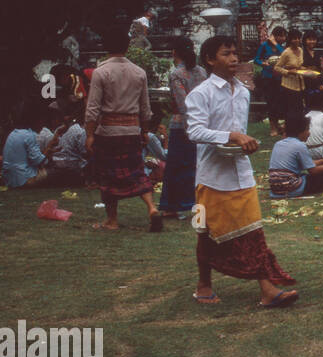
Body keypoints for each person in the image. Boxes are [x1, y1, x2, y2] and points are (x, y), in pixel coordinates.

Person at [187, 35, 297, 306]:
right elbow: (194, 130)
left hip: (241, 173)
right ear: (210, 60)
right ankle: (203, 286)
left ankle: (268, 289)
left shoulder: (244, 92)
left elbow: (241, 133)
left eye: (236, 53)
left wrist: (245, 141)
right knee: (204, 233)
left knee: (253, 233)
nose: (234, 59)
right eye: (227, 54)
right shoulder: (200, 94)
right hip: (210, 177)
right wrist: (232, 136)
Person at [85, 25, 161, 231]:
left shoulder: (101, 72)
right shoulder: (139, 72)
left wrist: (89, 134)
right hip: (132, 130)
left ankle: (112, 220)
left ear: (105, 46)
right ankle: (152, 208)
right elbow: (146, 108)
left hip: (108, 132)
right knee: (137, 171)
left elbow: (92, 108)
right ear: (128, 46)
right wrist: (145, 131)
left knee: (108, 175)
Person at [160, 40, 206, 217]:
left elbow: (183, 103)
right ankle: (193, 202)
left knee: (176, 167)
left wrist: (189, 126)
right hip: (201, 123)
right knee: (194, 165)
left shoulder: (176, 74)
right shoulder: (201, 72)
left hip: (182, 125)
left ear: (174, 53)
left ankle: (174, 206)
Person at [268, 113, 323, 198]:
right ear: (300, 132)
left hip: (275, 188)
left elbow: (305, 164)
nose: (309, 133)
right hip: (292, 188)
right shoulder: (300, 145)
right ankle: (299, 189)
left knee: (303, 175)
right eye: (307, 130)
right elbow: (313, 171)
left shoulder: (278, 144)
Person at [2, 105, 48, 187]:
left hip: (9, 179)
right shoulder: (29, 135)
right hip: (24, 180)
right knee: (52, 172)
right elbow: (38, 161)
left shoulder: (12, 133)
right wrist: (49, 149)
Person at [272, 30, 308, 128]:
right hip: (289, 85)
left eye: (298, 38)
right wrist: (288, 72)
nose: (297, 40)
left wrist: (306, 70)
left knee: (300, 107)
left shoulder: (300, 50)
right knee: (291, 109)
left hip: (300, 84)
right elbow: (277, 67)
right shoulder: (286, 52)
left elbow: (299, 65)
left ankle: (299, 128)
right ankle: (289, 129)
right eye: (294, 38)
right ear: (290, 40)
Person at [254, 26, 286, 133]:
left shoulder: (281, 47)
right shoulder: (264, 46)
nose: (283, 38)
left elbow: (285, 55)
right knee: (271, 102)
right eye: (280, 36)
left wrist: (276, 44)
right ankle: (273, 127)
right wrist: (263, 63)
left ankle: (279, 125)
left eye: (284, 36)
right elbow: (256, 59)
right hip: (268, 77)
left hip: (280, 77)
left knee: (280, 102)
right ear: (275, 36)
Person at [46, 109, 89, 186]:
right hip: (69, 170)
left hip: (57, 166)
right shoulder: (81, 131)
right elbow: (85, 154)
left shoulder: (66, 128)